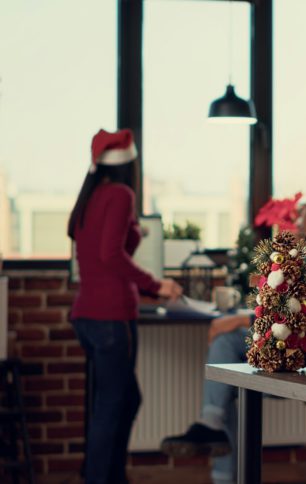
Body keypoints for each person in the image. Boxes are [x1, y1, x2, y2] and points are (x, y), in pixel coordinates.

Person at [160, 172, 306, 484]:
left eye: (303, 211)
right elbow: (287, 305)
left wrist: (240, 319)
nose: (298, 218)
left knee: (230, 341)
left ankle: (213, 436)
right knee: (230, 365)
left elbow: (304, 310)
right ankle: (218, 451)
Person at [68, 129, 183, 484]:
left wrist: (134, 231)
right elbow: (111, 255)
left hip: (86, 316)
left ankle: (109, 475)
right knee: (112, 404)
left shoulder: (92, 195)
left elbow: (104, 252)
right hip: (112, 318)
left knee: (123, 400)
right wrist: (155, 284)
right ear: (129, 164)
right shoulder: (120, 194)